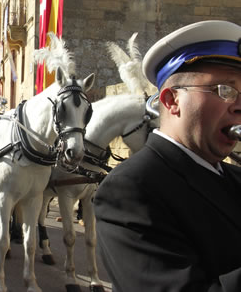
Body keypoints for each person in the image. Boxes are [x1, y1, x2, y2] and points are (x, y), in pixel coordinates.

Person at [94, 20, 241, 292]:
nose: (239, 107)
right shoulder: (129, 189)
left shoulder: (234, 177)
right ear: (171, 101)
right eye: (226, 90)